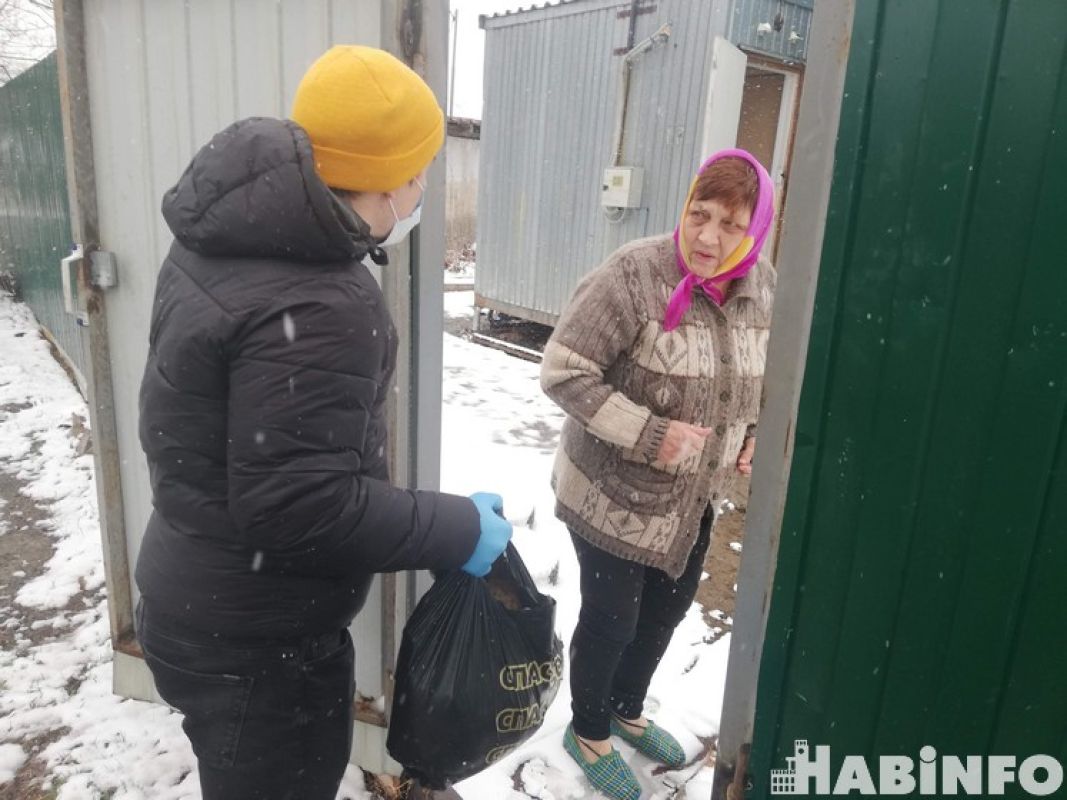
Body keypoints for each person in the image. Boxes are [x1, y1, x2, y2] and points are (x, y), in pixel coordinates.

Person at [134, 45, 512, 800]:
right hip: (258, 644)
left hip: (194, 597)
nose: (423, 187)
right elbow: (298, 503)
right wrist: (458, 529)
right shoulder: (320, 301)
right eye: (418, 170)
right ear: (382, 177)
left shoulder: (226, 236)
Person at [540, 149, 776, 800]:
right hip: (608, 491)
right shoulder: (634, 274)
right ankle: (587, 732)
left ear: (756, 231)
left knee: (666, 612)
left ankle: (626, 708)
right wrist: (649, 433)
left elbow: (759, 380)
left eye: (730, 224)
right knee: (613, 618)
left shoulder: (761, 291)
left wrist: (750, 434)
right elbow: (563, 370)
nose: (707, 236)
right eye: (699, 215)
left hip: (691, 499)